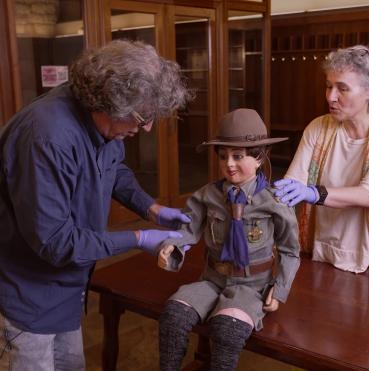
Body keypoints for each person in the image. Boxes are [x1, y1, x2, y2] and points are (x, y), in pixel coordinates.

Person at [0, 40, 193, 370]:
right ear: (109, 102)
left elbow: (113, 168)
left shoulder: (103, 125)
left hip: (67, 291)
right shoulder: (47, 136)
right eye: (142, 115)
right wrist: (138, 239)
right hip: (27, 296)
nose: (146, 127)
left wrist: (152, 209)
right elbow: (57, 242)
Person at [157, 108, 301, 371]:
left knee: (227, 330)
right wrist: (173, 245)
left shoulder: (274, 201)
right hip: (212, 279)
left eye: (238, 156)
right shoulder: (207, 196)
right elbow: (189, 228)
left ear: (259, 158)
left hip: (251, 286)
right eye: (223, 156)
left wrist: (279, 290)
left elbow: (290, 251)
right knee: (173, 315)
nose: (229, 164)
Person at [274, 45, 369, 274]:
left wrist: (313, 193)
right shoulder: (318, 127)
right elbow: (294, 180)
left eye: (343, 88)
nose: (331, 97)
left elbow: (368, 195)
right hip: (325, 243)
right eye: (329, 86)